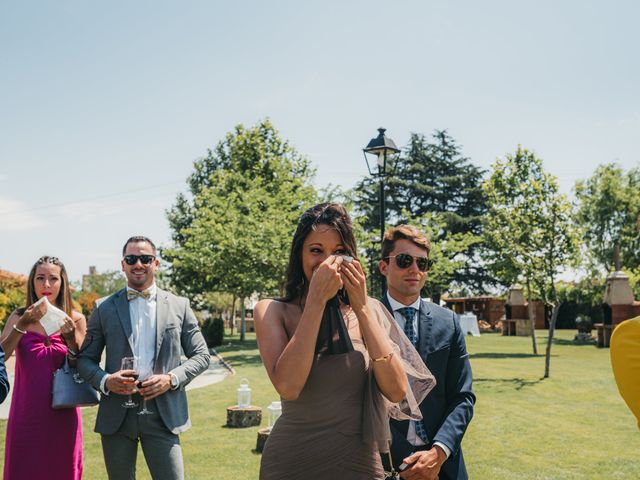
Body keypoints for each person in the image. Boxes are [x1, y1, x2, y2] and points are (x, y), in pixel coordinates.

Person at [255, 203, 434, 480]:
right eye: (316, 250)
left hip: (359, 462)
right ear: (299, 255)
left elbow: (397, 391)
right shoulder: (272, 311)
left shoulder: (370, 309)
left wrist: (361, 308)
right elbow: (288, 387)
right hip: (291, 462)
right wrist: (316, 300)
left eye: (339, 252)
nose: (328, 262)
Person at [77, 236, 210, 480]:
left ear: (156, 263)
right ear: (123, 264)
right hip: (117, 415)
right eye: (131, 259)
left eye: (145, 258)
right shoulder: (103, 307)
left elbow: (202, 355)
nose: (138, 264)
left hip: (164, 413)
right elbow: (84, 360)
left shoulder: (179, 305)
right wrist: (106, 381)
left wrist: (171, 379)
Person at [379, 225, 475, 480]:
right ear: (383, 267)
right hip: (385, 463)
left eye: (423, 263)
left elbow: (463, 397)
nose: (414, 270)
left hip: (443, 465)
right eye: (404, 260)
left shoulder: (449, 322)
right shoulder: (363, 319)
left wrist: (438, 452)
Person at [1, 256, 87, 480]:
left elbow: (83, 365)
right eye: (40, 278)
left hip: (63, 412)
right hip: (26, 414)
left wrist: (69, 339)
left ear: (63, 283)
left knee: (62, 470)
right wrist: (21, 325)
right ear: (32, 282)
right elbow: (2, 354)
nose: (46, 285)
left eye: (53, 278)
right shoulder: (19, 317)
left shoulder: (76, 319)